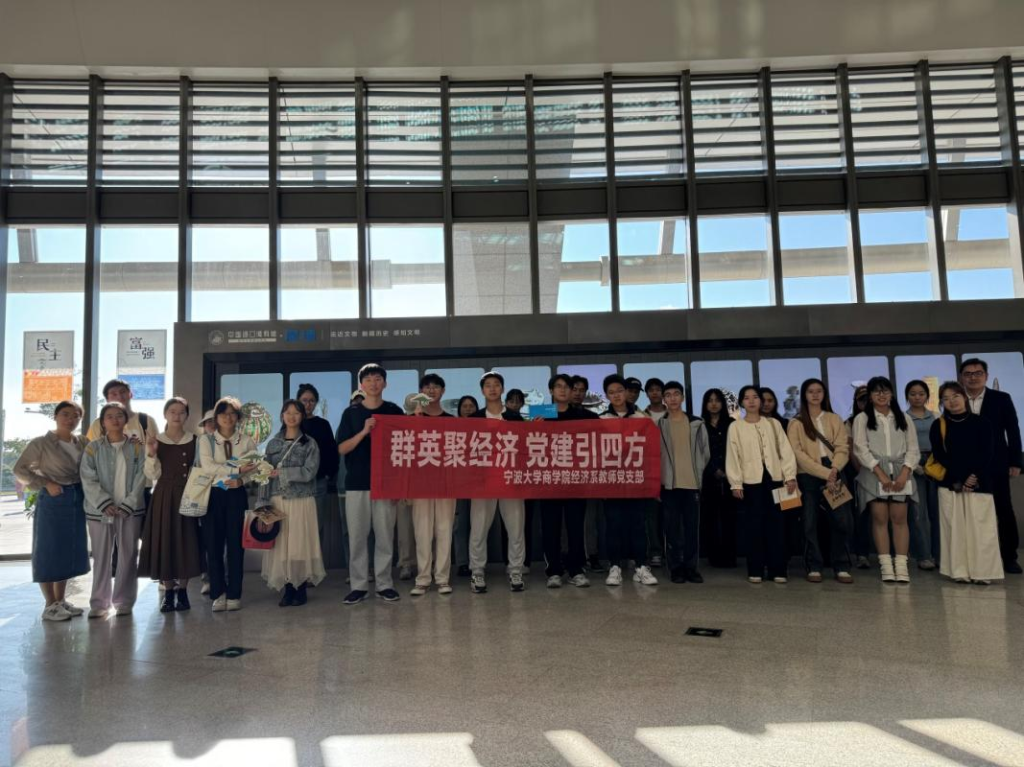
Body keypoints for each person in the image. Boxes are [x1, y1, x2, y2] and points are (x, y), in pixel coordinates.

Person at [13, 401, 90, 621]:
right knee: (48, 549)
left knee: (67, 550)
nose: (70, 419)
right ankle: (49, 605)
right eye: (65, 414)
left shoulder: (82, 442)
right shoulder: (41, 443)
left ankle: (60, 600)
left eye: (75, 416)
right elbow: (19, 469)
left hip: (76, 498)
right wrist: (45, 483)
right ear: (55, 416)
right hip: (53, 498)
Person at [337, 363, 404, 605]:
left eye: (377, 379)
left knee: (385, 537)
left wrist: (398, 485)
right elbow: (342, 448)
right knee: (357, 538)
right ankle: (359, 586)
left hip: (386, 484)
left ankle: (385, 584)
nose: (373, 383)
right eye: (368, 379)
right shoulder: (351, 413)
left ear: (385, 383)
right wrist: (364, 432)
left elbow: (403, 448)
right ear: (361, 385)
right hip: (357, 484)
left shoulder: (394, 411)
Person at [930, 381, 1003, 584]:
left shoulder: (982, 422)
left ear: (964, 397)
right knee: (955, 529)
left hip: (980, 483)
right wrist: (962, 477)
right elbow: (940, 455)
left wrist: (972, 476)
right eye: (946, 398)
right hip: (951, 483)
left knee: (981, 529)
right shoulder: (939, 425)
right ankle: (959, 571)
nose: (952, 401)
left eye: (955, 396)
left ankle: (983, 573)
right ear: (942, 403)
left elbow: (987, 453)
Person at [80, 402, 147, 617]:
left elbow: (142, 476)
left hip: (130, 511)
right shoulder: (93, 448)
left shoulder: (137, 447)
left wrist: (129, 503)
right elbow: (87, 477)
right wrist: (103, 503)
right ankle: (99, 604)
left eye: (119, 415)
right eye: (109, 416)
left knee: (128, 556)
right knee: (101, 558)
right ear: (102, 422)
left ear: (126, 420)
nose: (115, 419)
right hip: (100, 512)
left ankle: (124, 601)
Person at [726, 386, 798, 584]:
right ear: (741, 402)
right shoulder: (736, 426)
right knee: (754, 526)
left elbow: (785, 451)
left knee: (777, 526)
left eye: (755, 397)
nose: (751, 401)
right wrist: (735, 483)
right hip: (751, 482)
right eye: (746, 398)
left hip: (775, 479)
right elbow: (733, 455)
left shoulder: (773, 423)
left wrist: (790, 476)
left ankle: (778, 569)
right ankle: (756, 569)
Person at [853, 376, 921, 583]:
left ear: (892, 393)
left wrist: (905, 472)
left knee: (900, 519)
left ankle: (901, 565)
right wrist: (880, 473)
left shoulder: (904, 417)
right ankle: (885, 565)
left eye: (885, 391)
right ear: (870, 396)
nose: (881, 395)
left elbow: (913, 448)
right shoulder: (862, 418)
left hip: (901, 472)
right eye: (876, 391)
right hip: (874, 472)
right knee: (879, 518)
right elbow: (860, 448)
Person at [787, 379, 854, 584]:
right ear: (804, 395)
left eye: (819, 391)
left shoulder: (834, 418)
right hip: (808, 474)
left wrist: (834, 469)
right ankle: (814, 566)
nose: (815, 395)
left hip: (834, 469)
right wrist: (825, 473)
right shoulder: (796, 422)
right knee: (809, 522)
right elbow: (797, 454)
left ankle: (841, 565)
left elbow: (842, 447)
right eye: (811, 391)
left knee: (842, 521)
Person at [139, 397, 203, 612]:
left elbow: (200, 469)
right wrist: (151, 452)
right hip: (164, 495)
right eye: (172, 412)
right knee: (165, 540)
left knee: (187, 540)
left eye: (182, 412)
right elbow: (151, 474)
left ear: (187, 416)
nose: (177, 416)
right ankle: (168, 592)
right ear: (165, 414)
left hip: (189, 494)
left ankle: (183, 591)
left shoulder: (195, 440)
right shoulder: (156, 440)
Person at [960, 358, 1022, 574]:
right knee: (970, 512)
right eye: (968, 374)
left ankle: (1009, 557)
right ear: (961, 378)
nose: (973, 377)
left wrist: (1016, 461)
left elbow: (1013, 430)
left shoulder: (1001, 399)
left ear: (986, 376)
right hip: (967, 466)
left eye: (978, 373)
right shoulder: (957, 398)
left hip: (997, 463)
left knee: (1003, 509)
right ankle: (974, 557)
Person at [262, 400, 325, 606]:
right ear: (282, 415)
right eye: (287, 412)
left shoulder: (310, 443)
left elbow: (309, 472)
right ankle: (288, 588)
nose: (291, 416)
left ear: (302, 416)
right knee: (282, 545)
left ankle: (300, 588)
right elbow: (264, 475)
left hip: (301, 499)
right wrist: (262, 503)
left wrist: (282, 473)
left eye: (296, 413)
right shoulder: (273, 444)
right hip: (277, 500)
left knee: (300, 545)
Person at [469, 371, 527, 593]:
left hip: (511, 480)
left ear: (502, 389)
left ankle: (515, 570)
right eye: (488, 385)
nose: (492, 389)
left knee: (516, 527)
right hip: (482, 481)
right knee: (478, 528)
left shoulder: (515, 418)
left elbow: (525, 447)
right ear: (482, 390)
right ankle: (477, 571)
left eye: (496, 385)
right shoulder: (474, 419)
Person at [199, 396, 258, 611]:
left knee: (235, 546)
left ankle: (234, 594)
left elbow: (255, 469)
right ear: (216, 417)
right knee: (213, 545)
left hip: (236, 495)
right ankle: (218, 593)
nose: (228, 417)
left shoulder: (247, 441)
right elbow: (208, 467)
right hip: (213, 494)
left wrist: (242, 479)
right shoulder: (206, 441)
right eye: (223, 413)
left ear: (238, 417)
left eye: (232, 413)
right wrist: (236, 470)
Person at [600, 374, 657, 587]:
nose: (616, 395)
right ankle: (615, 566)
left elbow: (651, 451)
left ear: (626, 392)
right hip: (612, 481)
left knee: (638, 524)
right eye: (611, 392)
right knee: (613, 524)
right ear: (607, 396)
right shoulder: (601, 419)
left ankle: (641, 566)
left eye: (619, 391)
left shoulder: (642, 418)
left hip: (636, 481)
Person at [541, 373, 596, 588]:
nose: (563, 390)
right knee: (550, 528)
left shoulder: (582, 415)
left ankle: (576, 570)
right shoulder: (542, 413)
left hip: (575, 480)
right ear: (551, 391)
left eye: (567, 387)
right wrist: (533, 427)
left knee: (575, 527)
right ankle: (553, 571)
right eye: (558, 386)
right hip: (549, 480)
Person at [410, 374, 457, 596]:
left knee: (444, 530)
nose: (431, 390)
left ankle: (442, 578)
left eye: (436, 387)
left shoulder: (452, 420)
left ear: (443, 391)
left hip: (446, 483)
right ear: (421, 391)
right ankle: (422, 578)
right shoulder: (411, 419)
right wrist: (416, 419)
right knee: (422, 532)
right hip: (420, 483)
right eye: (427, 387)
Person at [657, 381, 709, 584]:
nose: (672, 398)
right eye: (668, 395)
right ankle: (675, 568)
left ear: (683, 397)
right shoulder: (660, 424)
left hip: (692, 484)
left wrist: (697, 473)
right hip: (669, 485)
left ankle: (691, 567)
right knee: (672, 530)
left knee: (691, 529)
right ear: (664, 399)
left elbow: (705, 452)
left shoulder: (697, 423)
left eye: (676, 394)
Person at [295, 384, 341, 546]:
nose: (308, 404)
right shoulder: (292, 423)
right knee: (297, 527)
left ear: (316, 403)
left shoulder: (323, 424)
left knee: (316, 526)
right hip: (295, 483)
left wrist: (328, 475)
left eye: (312, 401)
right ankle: (298, 561)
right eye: (304, 400)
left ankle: (316, 561)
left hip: (318, 482)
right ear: (298, 401)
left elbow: (332, 453)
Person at [699, 389, 736, 568]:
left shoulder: (732, 424)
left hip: (731, 477)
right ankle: (713, 556)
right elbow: (699, 452)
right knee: (710, 518)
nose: (713, 404)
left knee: (730, 518)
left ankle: (730, 556)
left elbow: (736, 450)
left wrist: (728, 470)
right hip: (708, 477)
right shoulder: (700, 425)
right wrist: (714, 469)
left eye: (717, 400)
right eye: (710, 400)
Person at [905, 380, 939, 570]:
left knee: (938, 512)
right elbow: (902, 445)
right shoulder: (903, 418)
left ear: (927, 396)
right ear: (907, 397)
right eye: (912, 394)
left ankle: (940, 555)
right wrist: (915, 466)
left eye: (921, 394)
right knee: (918, 513)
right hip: (913, 465)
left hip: (936, 465)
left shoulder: (936, 416)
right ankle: (923, 555)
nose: (917, 397)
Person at [847, 385, 873, 569]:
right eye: (861, 400)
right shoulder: (850, 422)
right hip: (860, 474)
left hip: (884, 473)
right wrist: (861, 471)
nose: (865, 403)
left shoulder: (885, 418)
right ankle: (861, 554)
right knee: (861, 514)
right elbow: (851, 450)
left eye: (868, 399)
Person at [453, 395, 479, 576]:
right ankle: (462, 562)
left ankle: (477, 562)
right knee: (460, 525)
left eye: (471, 406)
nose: (468, 409)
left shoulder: (483, 428)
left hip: (480, 484)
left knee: (479, 525)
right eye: (465, 406)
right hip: (459, 484)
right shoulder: (453, 428)